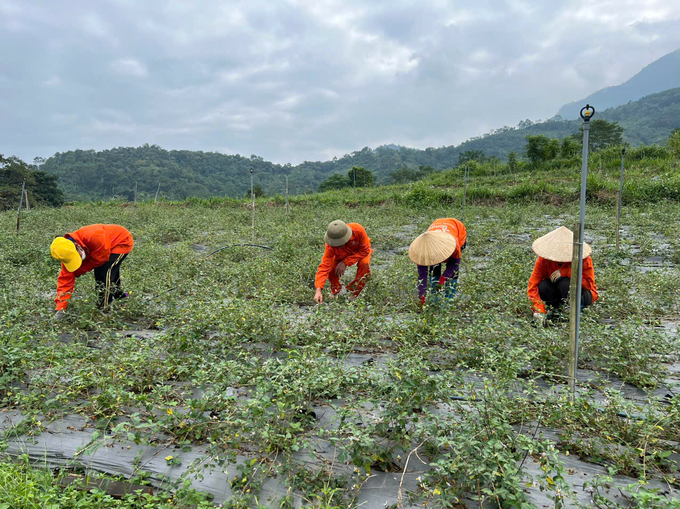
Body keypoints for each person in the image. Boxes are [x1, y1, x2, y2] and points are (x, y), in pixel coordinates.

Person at [51, 224, 134, 319]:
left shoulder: (94, 236)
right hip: (102, 248)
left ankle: (104, 308)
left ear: (77, 246)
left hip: (120, 241)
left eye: (76, 258)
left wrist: (79, 271)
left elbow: (101, 258)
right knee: (111, 276)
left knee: (104, 273)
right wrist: (60, 308)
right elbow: (65, 282)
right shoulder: (66, 254)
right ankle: (123, 297)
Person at [528, 226, 598, 326]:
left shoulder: (583, 259)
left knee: (566, 283)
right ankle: (555, 308)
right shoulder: (544, 260)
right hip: (558, 293)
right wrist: (539, 310)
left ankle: (574, 310)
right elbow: (533, 286)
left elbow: (589, 285)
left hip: (583, 294)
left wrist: (567, 272)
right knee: (543, 285)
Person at [409, 218, 467, 307]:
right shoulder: (421, 252)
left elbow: (454, 265)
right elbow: (422, 276)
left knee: (453, 272)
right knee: (434, 267)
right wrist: (422, 297)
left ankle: (449, 299)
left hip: (456, 229)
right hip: (437, 227)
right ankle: (434, 298)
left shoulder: (454, 244)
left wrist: (443, 280)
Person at [314, 220, 372, 304]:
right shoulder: (330, 245)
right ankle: (336, 291)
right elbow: (325, 266)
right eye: (335, 244)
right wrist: (318, 290)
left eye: (339, 244)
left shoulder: (358, 230)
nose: (337, 246)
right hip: (340, 255)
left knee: (364, 264)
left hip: (360, 252)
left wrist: (345, 262)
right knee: (332, 268)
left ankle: (355, 292)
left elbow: (365, 250)